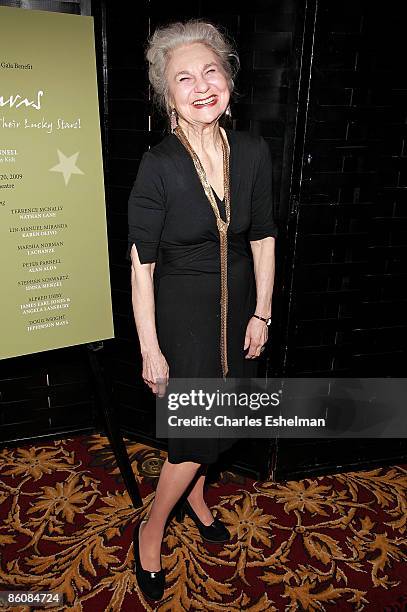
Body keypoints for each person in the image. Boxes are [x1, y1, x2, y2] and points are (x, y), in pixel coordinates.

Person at [127, 19, 277, 601]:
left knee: (223, 420)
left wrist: (262, 313)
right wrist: (150, 348)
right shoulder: (158, 164)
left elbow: (262, 235)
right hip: (181, 319)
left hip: (240, 309)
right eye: (183, 78)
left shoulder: (254, 152)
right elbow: (142, 264)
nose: (201, 85)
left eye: (210, 70)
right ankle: (152, 527)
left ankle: (195, 497)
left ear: (229, 80)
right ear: (168, 95)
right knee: (194, 435)